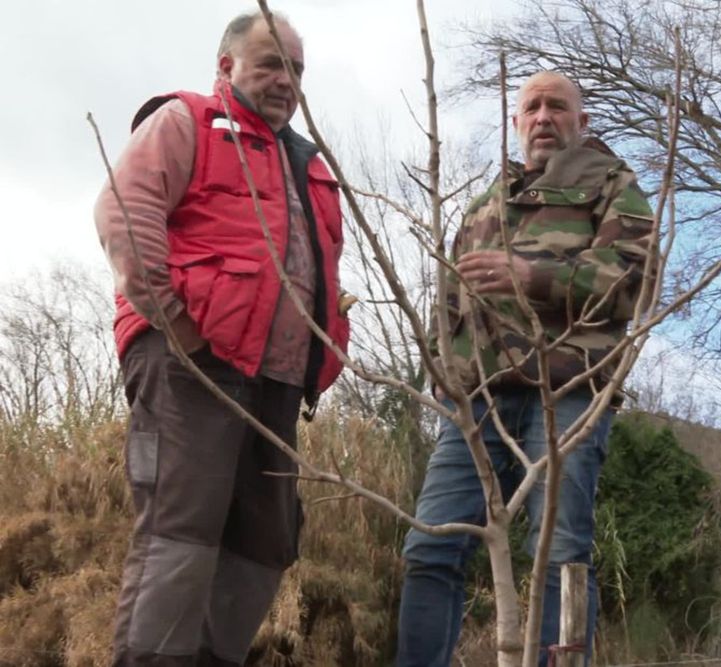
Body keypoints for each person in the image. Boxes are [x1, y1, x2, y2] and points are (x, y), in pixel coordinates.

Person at [94, 11, 349, 666]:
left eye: (296, 69)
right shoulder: (188, 122)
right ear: (226, 64)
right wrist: (174, 321)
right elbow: (124, 209)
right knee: (183, 531)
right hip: (192, 363)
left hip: (277, 382)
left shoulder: (310, 166)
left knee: (265, 541)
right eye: (270, 62)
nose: (286, 80)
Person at [396, 71, 654, 667]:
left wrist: (533, 276)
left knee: (558, 553)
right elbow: (448, 296)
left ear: (580, 121)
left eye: (557, 107)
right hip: (477, 401)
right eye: (531, 107)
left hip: (564, 392)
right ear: (516, 123)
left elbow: (632, 282)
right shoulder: (488, 201)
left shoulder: (614, 185)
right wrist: (441, 373)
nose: (543, 117)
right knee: (430, 545)